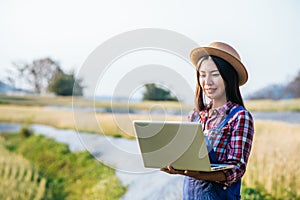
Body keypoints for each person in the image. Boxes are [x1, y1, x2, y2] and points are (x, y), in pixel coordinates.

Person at [160, 41, 254, 200]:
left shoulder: (239, 117)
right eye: (203, 75)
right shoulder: (195, 116)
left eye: (215, 74)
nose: (207, 81)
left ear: (228, 77)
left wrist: (200, 174)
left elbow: (236, 170)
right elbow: (187, 158)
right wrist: (175, 164)